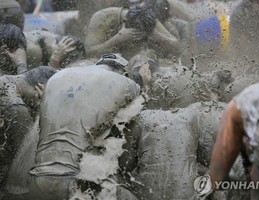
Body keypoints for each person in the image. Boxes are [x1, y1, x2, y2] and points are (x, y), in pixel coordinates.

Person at [29, 53, 143, 200]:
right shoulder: (127, 83)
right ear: (125, 74)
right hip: (80, 185)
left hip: (38, 181)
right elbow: (138, 124)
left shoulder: (57, 77)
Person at [0, 66, 57, 195]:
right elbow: (26, 159)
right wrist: (43, 107)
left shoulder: (6, 80)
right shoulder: (17, 109)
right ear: (40, 88)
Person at [85, 2, 179, 60]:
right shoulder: (102, 18)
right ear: (125, 23)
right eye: (134, 35)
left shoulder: (147, 20)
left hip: (137, 60)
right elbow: (88, 52)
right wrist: (116, 39)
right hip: (105, 61)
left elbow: (177, 45)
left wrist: (160, 37)